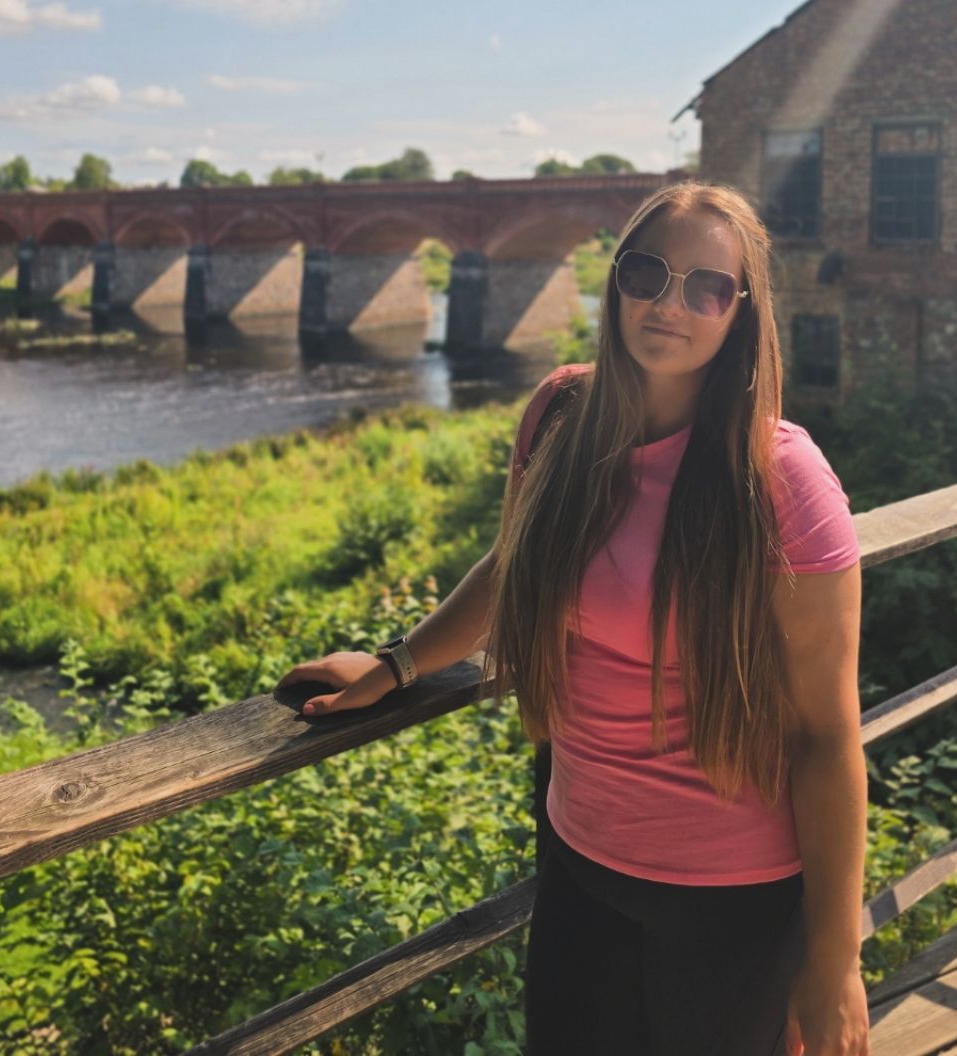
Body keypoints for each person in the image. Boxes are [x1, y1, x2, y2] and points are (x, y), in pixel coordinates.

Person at [276, 182, 870, 1056]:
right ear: (616, 279)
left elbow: (827, 736)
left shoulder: (784, 480)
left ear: (742, 312)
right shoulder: (559, 413)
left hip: (733, 897)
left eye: (707, 287)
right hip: (580, 860)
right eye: (647, 273)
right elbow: (511, 567)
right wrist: (398, 663)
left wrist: (835, 960)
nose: (669, 304)